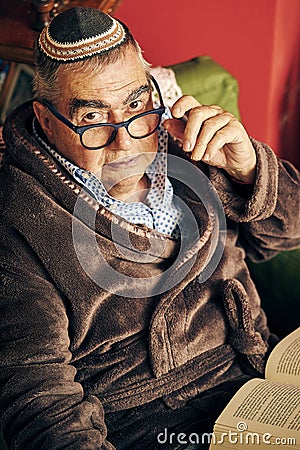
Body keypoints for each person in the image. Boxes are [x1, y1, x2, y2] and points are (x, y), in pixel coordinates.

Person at [0, 6, 299, 450]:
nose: (127, 141)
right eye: (92, 119)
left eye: (137, 105)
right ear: (47, 120)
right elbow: (40, 403)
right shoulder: (20, 218)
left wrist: (249, 170)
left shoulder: (190, 142)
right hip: (152, 423)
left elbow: (286, 234)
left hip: (263, 376)